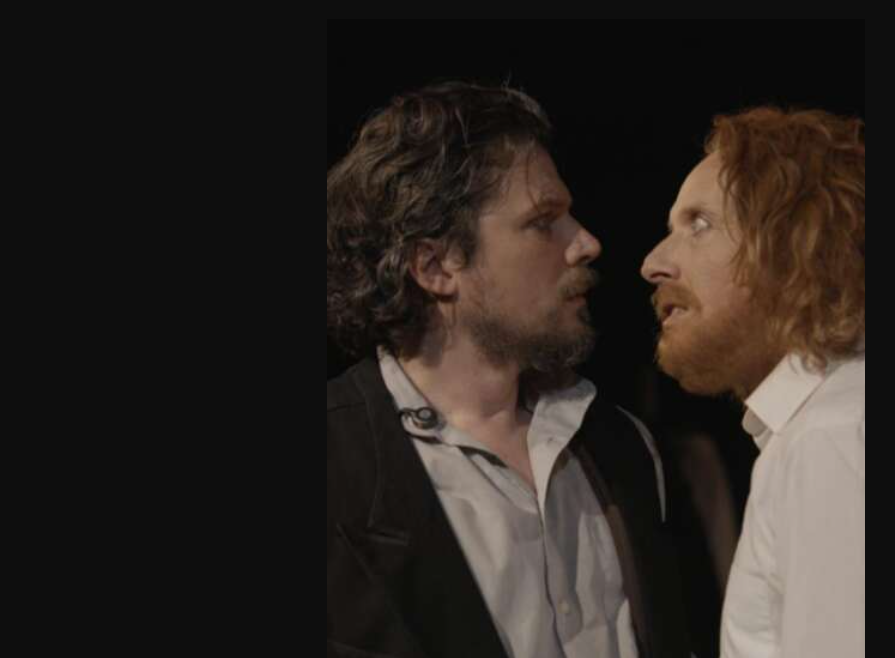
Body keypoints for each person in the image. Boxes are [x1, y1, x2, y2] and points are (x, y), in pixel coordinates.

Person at [328, 82, 690, 658]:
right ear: (434, 266)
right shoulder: (338, 463)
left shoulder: (622, 445)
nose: (586, 242)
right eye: (544, 221)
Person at [641, 106, 866, 658]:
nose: (653, 263)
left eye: (699, 225)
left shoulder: (828, 437)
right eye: (670, 230)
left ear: (798, 247)